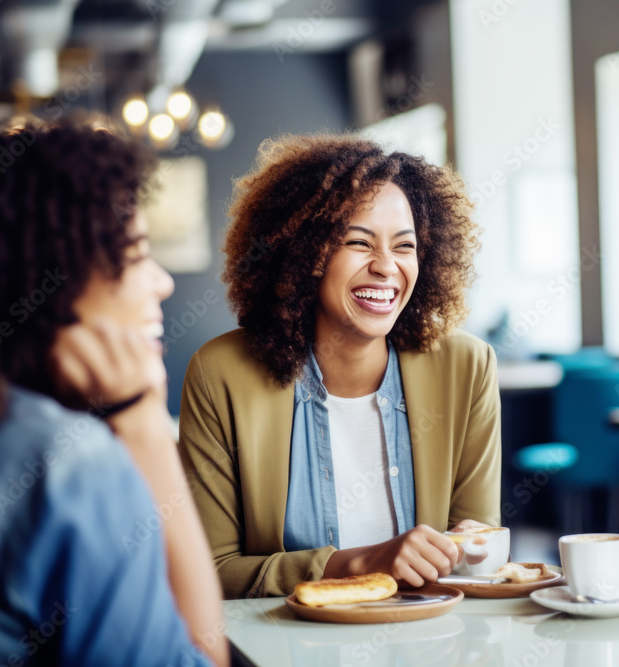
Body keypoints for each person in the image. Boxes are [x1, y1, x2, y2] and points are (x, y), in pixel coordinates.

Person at [0, 116, 228, 665]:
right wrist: (141, 422)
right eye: (136, 253)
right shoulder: (69, 464)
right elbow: (203, 657)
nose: (161, 282)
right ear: (51, 278)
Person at [178, 134, 501, 598]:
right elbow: (210, 572)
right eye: (358, 242)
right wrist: (363, 563)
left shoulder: (467, 367)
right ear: (304, 253)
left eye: (404, 246)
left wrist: (472, 546)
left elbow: (479, 540)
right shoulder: (221, 375)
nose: (386, 267)